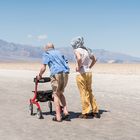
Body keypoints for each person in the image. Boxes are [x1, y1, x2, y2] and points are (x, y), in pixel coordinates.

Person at [37, 43, 70, 122]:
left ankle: (58, 116)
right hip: (65, 73)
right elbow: (66, 62)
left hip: (56, 74)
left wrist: (40, 75)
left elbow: (43, 67)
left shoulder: (46, 53)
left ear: (46, 48)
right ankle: (65, 111)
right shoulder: (59, 52)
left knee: (55, 94)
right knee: (60, 93)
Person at [71, 36, 100, 119]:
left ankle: (85, 112)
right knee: (89, 91)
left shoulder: (77, 50)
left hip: (81, 73)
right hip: (88, 73)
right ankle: (95, 111)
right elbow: (95, 59)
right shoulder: (87, 50)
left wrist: (78, 66)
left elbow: (79, 58)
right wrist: (89, 67)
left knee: (83, 92)